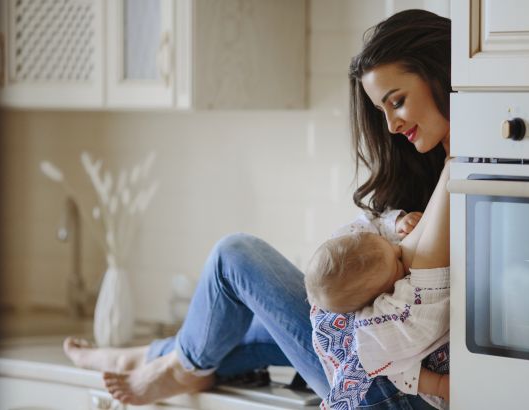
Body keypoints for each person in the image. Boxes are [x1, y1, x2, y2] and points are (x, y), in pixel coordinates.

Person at [62, 8, 451, 409]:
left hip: (389, 385)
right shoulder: (441, 164)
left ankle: (176, 366)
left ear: (440, 72)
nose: (391, 126)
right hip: (387, 364)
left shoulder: (464, 167)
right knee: (261, 332)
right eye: (382, 110)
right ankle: (152, 356)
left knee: (235, 256)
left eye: (397, 101)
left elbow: (417, 289)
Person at [308, 166, 450, 409]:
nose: (399, 248)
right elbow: (402, 375)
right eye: (397, 261)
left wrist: (398, 223)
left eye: (390, 245)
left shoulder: (373, 248)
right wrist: (438, 385)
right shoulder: (375, 336)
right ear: (379, 299)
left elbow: (372, 229)